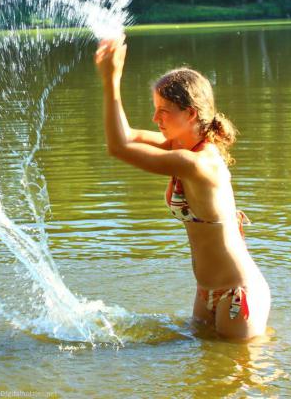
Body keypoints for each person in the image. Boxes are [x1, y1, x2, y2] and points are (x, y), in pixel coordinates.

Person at [94, 35, 270, 340]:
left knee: (240, 378)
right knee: (205, 376)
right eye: (155, 108)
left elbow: (117, 147)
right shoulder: (178, 147)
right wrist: (110, 78)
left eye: (164, 110)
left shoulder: (199, 164)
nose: (155, 118)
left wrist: (112, 80)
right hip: (207, 292)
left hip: (237, 296)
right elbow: (125, 135)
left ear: (190, 113)